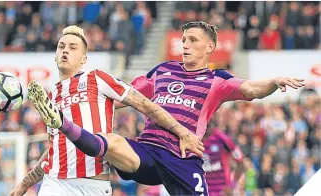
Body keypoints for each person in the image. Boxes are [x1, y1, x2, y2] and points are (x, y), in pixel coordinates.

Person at [27, 21, 305, 195]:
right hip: (148, 151)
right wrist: (81, 94)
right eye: (183, 40)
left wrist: (274, 81)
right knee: (112, 142)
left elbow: (252, 90)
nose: (185, 45)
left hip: (183, 160)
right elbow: (123, 96)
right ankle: (66, 128)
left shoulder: (217, 80)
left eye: (193, 41)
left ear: (210, 47)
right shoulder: (162, 71)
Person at [10, 25, 203, 196]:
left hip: (94, 184)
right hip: (56, 183)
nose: (65, 51)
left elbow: (146, 105)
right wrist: (23, 185)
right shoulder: (51, 96)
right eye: (61, 46)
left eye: (72, 47)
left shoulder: (97, 79)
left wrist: (182, 132)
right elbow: (54, 150)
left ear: (84, 58)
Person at [202, 127, 244, 196]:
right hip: (203, 191)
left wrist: (232, 184)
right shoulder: (193, 138)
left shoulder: (222, 138)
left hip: (221, 191)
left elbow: (240, 160)